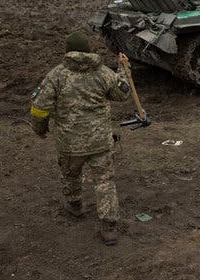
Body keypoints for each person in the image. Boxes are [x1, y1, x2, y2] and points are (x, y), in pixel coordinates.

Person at [30, 31, 131, 245]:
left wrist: (40, 129)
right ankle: (109, 227)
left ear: (68, 52)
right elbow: (122, 94)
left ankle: (75, 206)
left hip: (69, 143)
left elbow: (39, 107)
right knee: (104, 181)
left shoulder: (56, 75)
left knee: (71, 175)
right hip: (100, 142)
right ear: (88, 50)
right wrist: (122, 68)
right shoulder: (103, 73)